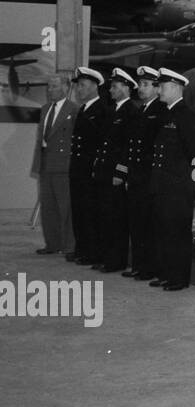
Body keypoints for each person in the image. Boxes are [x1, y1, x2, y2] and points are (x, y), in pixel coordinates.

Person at [149, 68, 195, 292]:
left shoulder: (187, 116)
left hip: (179, 186)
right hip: (163, 184)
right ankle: (165, 273)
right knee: (163, 230)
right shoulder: (166, 113)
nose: (158, 90)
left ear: (174, 87)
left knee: (177, 233)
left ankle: (178, 278)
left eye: (161, 86)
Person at [92, 68, 139, 274]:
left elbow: (128, 146)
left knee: (116, 218)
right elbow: (104, 143)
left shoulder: (131, 111)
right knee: (104, 215)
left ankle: (116, 260)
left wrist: (121, 172)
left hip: (115, 174)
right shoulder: (112, 111)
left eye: (115, 86)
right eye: (111, 86)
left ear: (126, 88)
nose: (111, 90)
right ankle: (105, 256)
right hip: (104, 170)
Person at [29, 73, 80, 257]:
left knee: (65, 207)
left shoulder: (73, 109)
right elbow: (41, 139)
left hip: (63, 165)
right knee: (48, 208)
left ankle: (69, 245)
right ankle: (52, 243)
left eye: (55, 86)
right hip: (45, 164)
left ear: (66, 88)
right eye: (49, 86)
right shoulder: (45, 109)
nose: (50, 90)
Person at [123, 67, 164, 281]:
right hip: (137, 177)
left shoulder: (160, 111)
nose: (140, 88)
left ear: (157, 88)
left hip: (149, 177)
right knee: (137, 223)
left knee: (148, 225)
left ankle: (149, 267)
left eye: (146, 84)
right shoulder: (142, 110)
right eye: (140, 84)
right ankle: (139, 265)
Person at [68, 66, 108, 267]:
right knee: (79, 210)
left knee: (90, 212)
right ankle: (81, 249)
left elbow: (101, 143)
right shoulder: (83, 109)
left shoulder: (102, 109)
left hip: (90, 170)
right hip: (78, 169)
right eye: (78, 86)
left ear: (94, 86)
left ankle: (91, 252)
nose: (79, 90)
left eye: (82, 86)